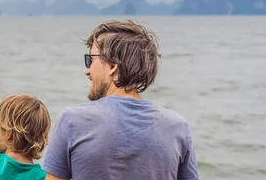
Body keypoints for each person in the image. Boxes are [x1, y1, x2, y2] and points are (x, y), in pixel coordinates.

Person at [42, 20, 199, 180]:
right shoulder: (178, 128)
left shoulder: (71, 121)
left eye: (90, 60)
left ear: (112, 67)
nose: (87, 70)